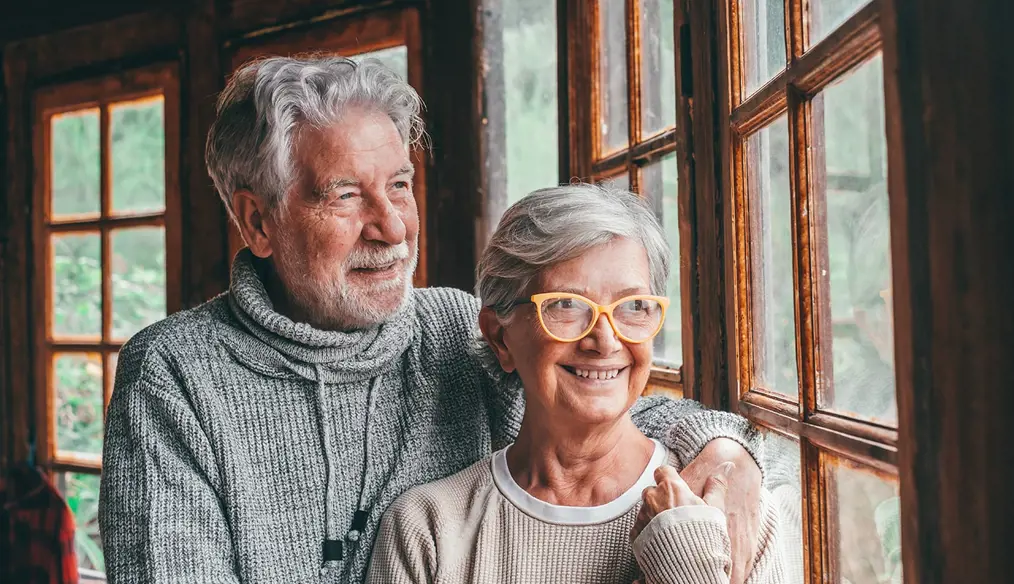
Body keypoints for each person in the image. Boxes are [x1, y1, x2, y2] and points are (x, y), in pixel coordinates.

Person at [98, 56, 765, 584]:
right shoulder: (175, 374)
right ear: (257, 221)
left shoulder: (449, 325)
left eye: (399, 185)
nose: (391, 227)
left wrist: (724, 448)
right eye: (346, 195)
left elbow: (595, 398)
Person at [366, 185, 787, 584]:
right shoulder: (427, 529)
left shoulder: (731, 507)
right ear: (499, 337)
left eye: (634, 306)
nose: (605, 340)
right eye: (566, 306)